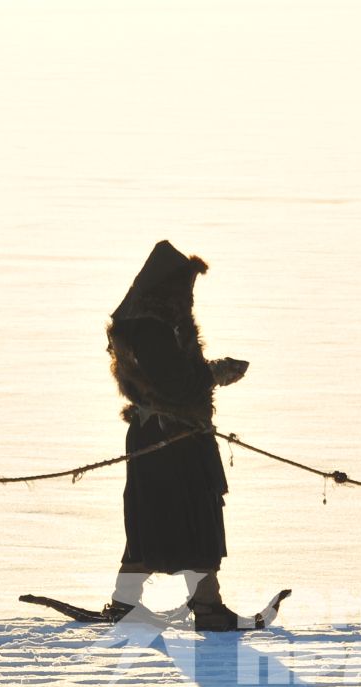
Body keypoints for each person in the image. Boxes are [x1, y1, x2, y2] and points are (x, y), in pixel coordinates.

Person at [103, 240, 256, 631]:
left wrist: (208, 372)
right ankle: (206, 608)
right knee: (193, 519)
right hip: (170, 439)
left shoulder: (151, 322)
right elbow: (176, 385)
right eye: (184, 287)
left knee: (152, 520)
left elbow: (172, 377)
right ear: (165, 287)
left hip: (162, 438)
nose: (188, 295)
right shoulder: (152, 328)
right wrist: (217, 372)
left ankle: (126, 602)